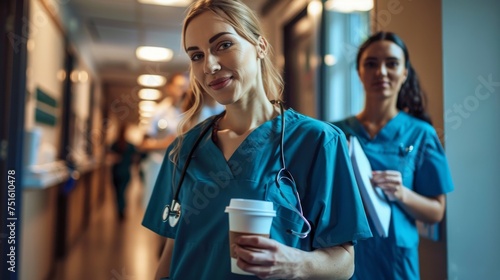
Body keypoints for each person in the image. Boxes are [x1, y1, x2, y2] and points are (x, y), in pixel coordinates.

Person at [142, 0, 372, 279]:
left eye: (223, 45)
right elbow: (171, 254)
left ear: (260, 46)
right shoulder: (184, 150)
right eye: (196, 55)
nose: (210, 66)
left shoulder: (317, 142)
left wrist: (295, 263)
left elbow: (345, 263)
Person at [332, 31, 455, 280]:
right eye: (371, 64)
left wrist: (402, 194)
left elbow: (436, 212)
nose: (382, 72)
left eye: (392, 63)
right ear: (359, 72)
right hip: (345, 258)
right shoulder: (334, 134)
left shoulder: (421, 134)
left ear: (405, 73)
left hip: (396, 264)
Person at [139, 72, 189, 208]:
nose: (183, 91)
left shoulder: (192, 113)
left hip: (183, 168)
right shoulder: (158, 111)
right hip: (159, 165)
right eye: (179, 86)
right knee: (158, 209)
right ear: (169, 88)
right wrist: (166, 143)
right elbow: (143, 144)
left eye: (186, 87)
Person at [109, 124, 138, 220]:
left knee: (118, 193)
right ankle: (122, 209)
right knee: (122, 192)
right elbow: (136, 158)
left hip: (116, 172)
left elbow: (110, 156)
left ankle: (120, 209)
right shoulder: (130, 145)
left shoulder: (114, 144)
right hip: (126, 172)